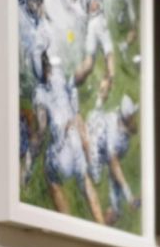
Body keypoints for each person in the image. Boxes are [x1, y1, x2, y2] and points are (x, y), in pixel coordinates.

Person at [30, 48, 106, 222]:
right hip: (75, 144)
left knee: (51, 177)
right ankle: (101, 223)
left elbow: (41, 131)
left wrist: (30, 161)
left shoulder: (39, 93)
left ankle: (67, 224)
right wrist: (87, 152)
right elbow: (79, 119)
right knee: (85, 181)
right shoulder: (62, 77)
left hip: (60, 151)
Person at [85, 94, 139, 224]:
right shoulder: (114, 134)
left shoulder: (124, 129)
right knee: (96, 179)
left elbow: (113, 166)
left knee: (116, 211)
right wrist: (128, 195)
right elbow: (114, 164)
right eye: (132, 118)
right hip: (92, 146)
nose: (135, 120)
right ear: (127, 119)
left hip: (103, 151)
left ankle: (113, 212)